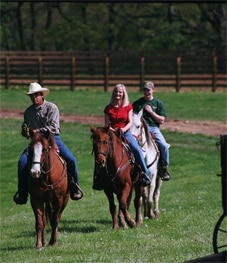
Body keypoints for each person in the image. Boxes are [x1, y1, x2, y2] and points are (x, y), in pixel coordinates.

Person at [13, 82, 83, 205]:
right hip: (36, 143)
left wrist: (37, 131)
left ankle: (74, 187)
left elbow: (55, 128)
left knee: (71, 160)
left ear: (41, 95)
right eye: (32, 96)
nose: (34, 97)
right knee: (22, 162)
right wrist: (25, 132)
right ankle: (23, 192)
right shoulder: (28, 112)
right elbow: (26, 132)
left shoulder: (52, 108)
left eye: (36, 95)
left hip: (53, 139)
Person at [92, 83, 151, 191]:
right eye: (116, 92)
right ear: (113, 93)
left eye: (120, 92)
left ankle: (144, 174)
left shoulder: (128, 106)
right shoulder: (108, 108)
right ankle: (98, 179)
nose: (118, 94)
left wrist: (123, 130)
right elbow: (107, 125)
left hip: (126, 132)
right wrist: (112, 130)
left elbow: (130, 122)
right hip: (111, 134)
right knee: (100, 152)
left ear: (123, 94)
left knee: (137, 150)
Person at [133, 81, 170, 181]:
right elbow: (132, 118)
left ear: (153, 90)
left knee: (164, 145)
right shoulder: (137, 104)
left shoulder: (158, 103)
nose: (146, 92)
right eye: (145, 90)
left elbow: (161, 120)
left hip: (153, 128)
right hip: (139, 129)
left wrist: (151, 112)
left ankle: (164, 167)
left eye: (148, 90)